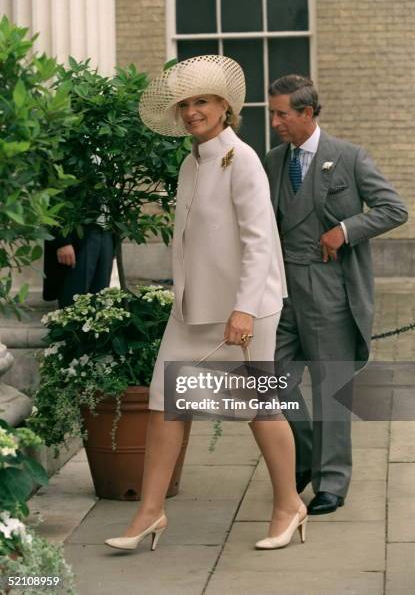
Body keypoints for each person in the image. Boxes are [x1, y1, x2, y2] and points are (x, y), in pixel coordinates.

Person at [105, 55, 307, 552]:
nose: (192, 111)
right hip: (193, 308)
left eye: (202, 102)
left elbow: (261, 242)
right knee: (162, 403)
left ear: (224, 107)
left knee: (260, 407)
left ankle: (289, 505)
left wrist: (242, 310)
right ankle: (150, 513)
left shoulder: (244, 160)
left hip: (247, 307)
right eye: (185, 104)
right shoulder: (189, 163)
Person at [265, 74, 408, 515]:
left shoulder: (348, 157)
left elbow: (394, 208)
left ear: (307, 113)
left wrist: (345, 230)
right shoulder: (271, 161)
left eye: (281, 113)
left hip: (330, 289)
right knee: (271, 380)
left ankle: (331, 481)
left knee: (330, 387)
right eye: (271, 113)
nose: (273, 122)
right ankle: (304, 455)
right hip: (281, 288)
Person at [43, 224, 114, 308]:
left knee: (99, 298)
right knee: (73, 299)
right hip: (78, 235)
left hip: (107, 231)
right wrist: (62, 241)